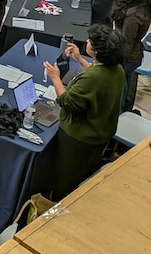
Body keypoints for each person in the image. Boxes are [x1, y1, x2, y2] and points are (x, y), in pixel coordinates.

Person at [42, 24, 125, 200]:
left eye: (90, 42)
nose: (86, 41)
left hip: (78, 139)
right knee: (83, 173)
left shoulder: (92, 78)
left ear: (98, 50)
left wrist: (55, 78)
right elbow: (96, 75)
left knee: (65, 179)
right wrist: (80, 59)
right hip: (100, 135)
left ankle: (56, 203)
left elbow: (66, 101)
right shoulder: (116, 69)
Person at [111, 0, 151, 111]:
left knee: (120, 93)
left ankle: (121, 115)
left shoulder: (133, 16)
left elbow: (125, 42)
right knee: (125, 88)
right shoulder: (139, 3)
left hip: (127, 58)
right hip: (133, 54)